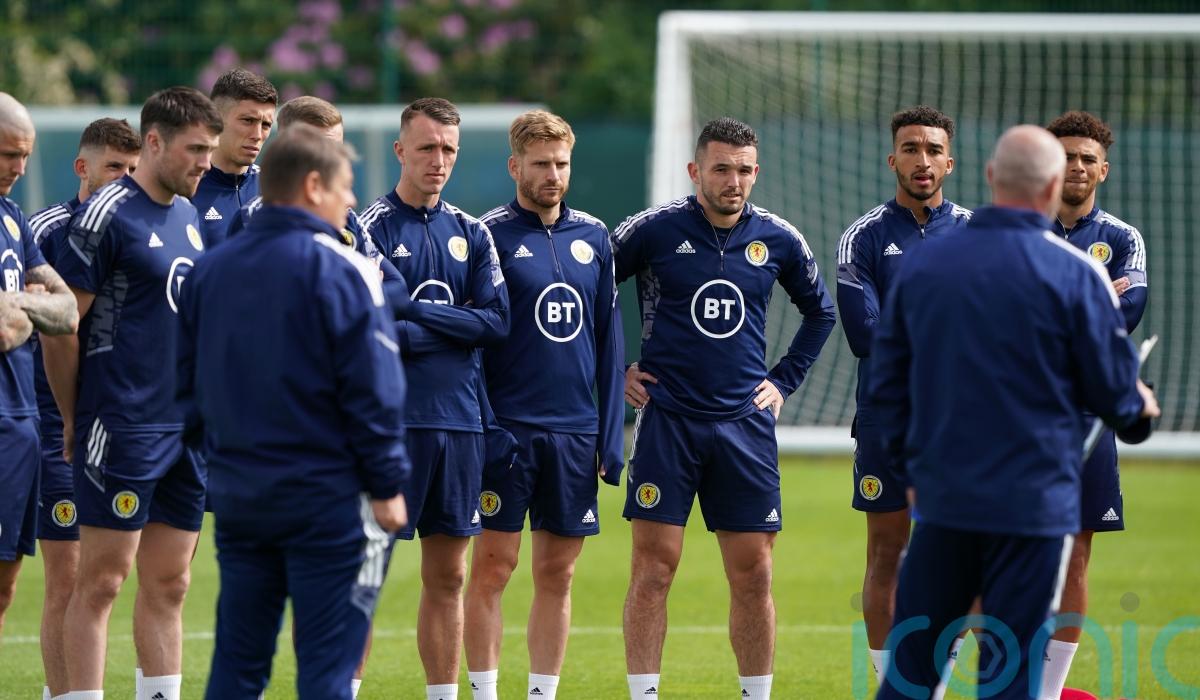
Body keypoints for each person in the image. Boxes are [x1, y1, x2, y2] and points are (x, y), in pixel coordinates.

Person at [870, 125, 1160, 700]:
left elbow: (886, 386)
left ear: (989, 177)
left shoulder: (925, 266)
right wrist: (1139, 404)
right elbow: (1120, 405)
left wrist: (911, 473)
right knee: (1009, 675)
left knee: (912, 673)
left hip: (944, 500)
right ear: (1052, 185)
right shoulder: (1078, 273)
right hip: (1032, 511)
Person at [175, 123, 409, 700]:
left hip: (239, 496)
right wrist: (387, 484)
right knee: (326, 670)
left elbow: (184, 387)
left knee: (237, 665)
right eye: (345, 186)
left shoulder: (210, 269)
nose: (350, 201)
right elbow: (373, 390)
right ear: (312, 186)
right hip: (326, 499)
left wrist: (222, 463)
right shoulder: (345, 269)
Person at [614, 117, 836, 700]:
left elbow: (821, 312)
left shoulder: (778, 238)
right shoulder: (653, 230)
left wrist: (783, 382)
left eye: (743, 170)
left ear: (755, 172)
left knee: (754, 574)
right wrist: (616, 371)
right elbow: (590, 289)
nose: (733, 181)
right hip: (668, 421)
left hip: (744, 426)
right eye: (721, 169)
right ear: (695, 171)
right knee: (654, 570)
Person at [42, 86, 222, 700]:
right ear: (154, 142)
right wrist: (75, 417)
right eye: (195, 149)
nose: (205, 162)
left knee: (171, 584)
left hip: (185, 430)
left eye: (210, 150)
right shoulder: (106, 214)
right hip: (121, 424)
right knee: (102, 583)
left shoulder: (189, 216)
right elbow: (62, 326)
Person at [464, 110, 625, 700]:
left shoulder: (595, 237)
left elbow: (609, 342)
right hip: (508, 431)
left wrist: (611, 434)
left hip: (575, 434)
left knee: (558, 572)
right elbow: (474, 344)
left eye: (561, 164)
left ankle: (541, 693)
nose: (553, 175)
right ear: (515, 166)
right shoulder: (487, 235)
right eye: (540, 164)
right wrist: (484, 426)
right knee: (493, 568)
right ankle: (484, 692)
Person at [360, 97, 509, 700]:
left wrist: (416, 315)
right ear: (401, 150)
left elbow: (496, 323)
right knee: (362, 578)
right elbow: (371, 327)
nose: (438, 160)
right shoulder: (368, 227)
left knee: (449, 577)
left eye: (448, 149)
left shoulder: (473, 232)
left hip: (460, 424)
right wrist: (455, 325)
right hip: (389, 425)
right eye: (426, 148)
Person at [835, 105, 971, 683]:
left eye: (933, 150)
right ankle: (891, 685)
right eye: (911, 148)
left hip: (960, 423)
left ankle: (934, 684)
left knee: (964, 559)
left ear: (950, 162)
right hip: (887, 420)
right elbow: (864, 335)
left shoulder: (976, 233)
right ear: (893, 159)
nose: (922, 160)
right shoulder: (863, 237)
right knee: (886, 553)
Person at [26, 117, 141, 700]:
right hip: (51, 423)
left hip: (115, 424)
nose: (124, 180)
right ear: (82, 167)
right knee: (68, 576)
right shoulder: (46, 229)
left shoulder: (140, 231)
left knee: (113, 577)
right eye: (114, 168)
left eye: (132, 169)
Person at [1039, 110, 1149, 700]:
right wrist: (1090, 301)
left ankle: (1048, 691)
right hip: (1018, 419)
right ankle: (1004, 681)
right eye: (1067, 157)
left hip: (1086, 420)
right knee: (997, 553)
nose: (1077, 166)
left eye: (1088, 158)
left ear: (1103, 170)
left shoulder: (1123, 238)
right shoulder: (1020, 233)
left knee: (1077, 556)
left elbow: (1127, 314)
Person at [0, 92, 80, 647]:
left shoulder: (13, 219)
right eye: (8, 154)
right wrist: (32, 308)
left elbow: (67, 311)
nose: (20, 167)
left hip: (19, 424)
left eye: (26, 154)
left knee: (5, 587)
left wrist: (20, 305)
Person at [191, 68, 276, 245]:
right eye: (248, 121)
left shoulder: (276, 190)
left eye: (266, 125)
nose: (257, 135)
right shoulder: (183, 190)